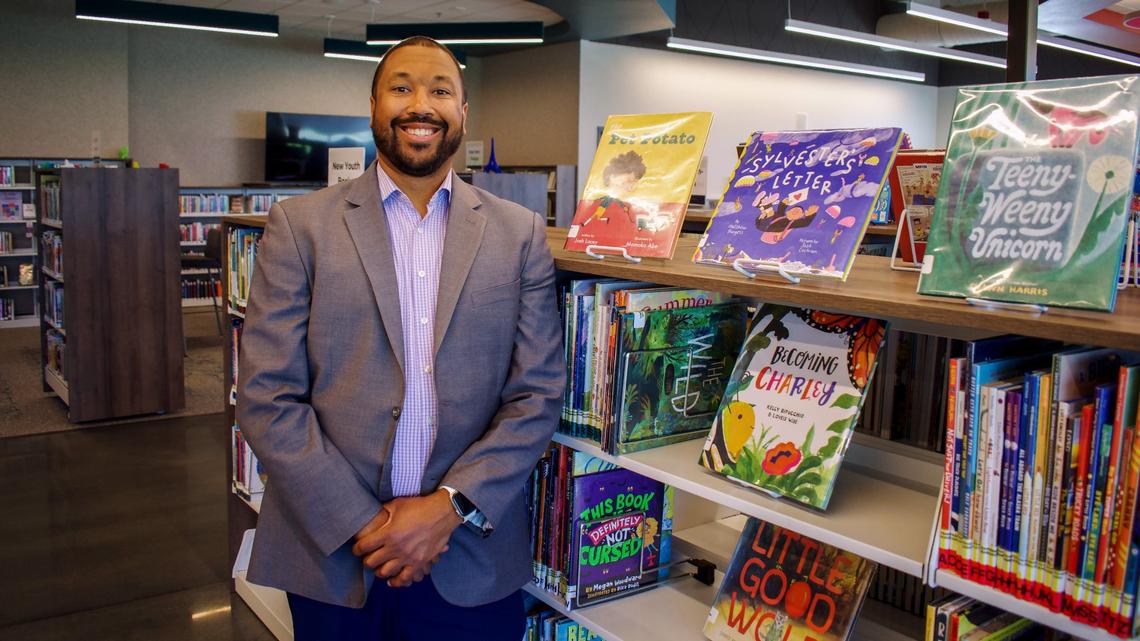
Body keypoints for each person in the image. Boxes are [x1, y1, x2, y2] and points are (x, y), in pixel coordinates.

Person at [237, 36, 564, 641]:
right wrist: (371, 527)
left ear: (463, 112)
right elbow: (267, 397)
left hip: (469, 556)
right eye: (401, 87)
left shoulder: (518, 233)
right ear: (373, 107)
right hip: (333, 555)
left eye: (440, 90)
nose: (421, 104)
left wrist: (448, 508)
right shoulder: (299, 227)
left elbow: (536, 395)